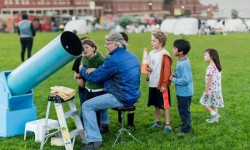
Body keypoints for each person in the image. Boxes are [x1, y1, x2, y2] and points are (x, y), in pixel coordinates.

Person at [79, 31, 141, 149]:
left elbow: (96, 78)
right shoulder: (132, 55)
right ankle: (104, 126)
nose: (105, 46)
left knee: (87, 105)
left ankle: (95, 140)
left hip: (121, 97)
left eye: (108, 43)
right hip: (133, 95)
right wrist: (97, 70)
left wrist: (83, 70)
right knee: (99, 96)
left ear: (116, 44)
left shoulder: (113, 60)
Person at [146, 31, 173, 133]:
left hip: (161, 85)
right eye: (151, 40)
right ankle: (158, 122)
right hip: (153, 83)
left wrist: (164, 84)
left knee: (165, 105)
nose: (151, 43)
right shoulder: (151, 53)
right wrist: (149, 70)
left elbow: (167, 71)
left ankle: (167, 125)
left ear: (161, 42)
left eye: (154, 41)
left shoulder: (165, 54)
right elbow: (153, 68)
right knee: (156, 104)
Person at [81, 39, 109, 133]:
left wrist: (96, 69)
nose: (85, 50)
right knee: (87, 109)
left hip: (98, 89)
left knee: (97, 109)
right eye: (83, 48)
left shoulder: (100, 59)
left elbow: (103, 73)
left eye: (87, 47)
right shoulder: (84, 58)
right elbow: (83, 70)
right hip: (88, 88)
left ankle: (98, 128)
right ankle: (88, 128)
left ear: (93, 48)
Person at [169, 39, 194, 135]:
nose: (173, 50)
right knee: (183, 110)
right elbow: (182, 75)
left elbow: (185, 80)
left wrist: (173, 79)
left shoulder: (183, 64)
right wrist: (176, 75)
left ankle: (186, 129)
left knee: (184, 112)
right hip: (183, 92)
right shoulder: (183, 60)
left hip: (184, 93)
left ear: (181, 52)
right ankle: (184, 126)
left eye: (175, 48)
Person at [199, 48, 224, 123]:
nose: (204, 56)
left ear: (212, 56)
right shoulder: (217, 67)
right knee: (214, 105)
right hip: (217, 90)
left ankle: (214, 114)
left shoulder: (210, 68)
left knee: (203, 102)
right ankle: (215, 120)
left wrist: (207, 91)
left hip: (211, 90)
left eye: (206, 55)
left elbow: (209, 81)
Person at [116, 31, 135, 128]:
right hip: (119, 83)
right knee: (120, 101)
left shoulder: (129, 55)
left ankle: (130, 123)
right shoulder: (114, 55)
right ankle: (121, 121)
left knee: (130, 101)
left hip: (128, 83)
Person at [72, 37, 89, 123]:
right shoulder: (78, 59)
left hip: (93, 88)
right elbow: (75, 73)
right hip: (82, 88)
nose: (85, 49)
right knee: (83, 105)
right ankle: (83, 123)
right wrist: (79, 78)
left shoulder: (95, 58)